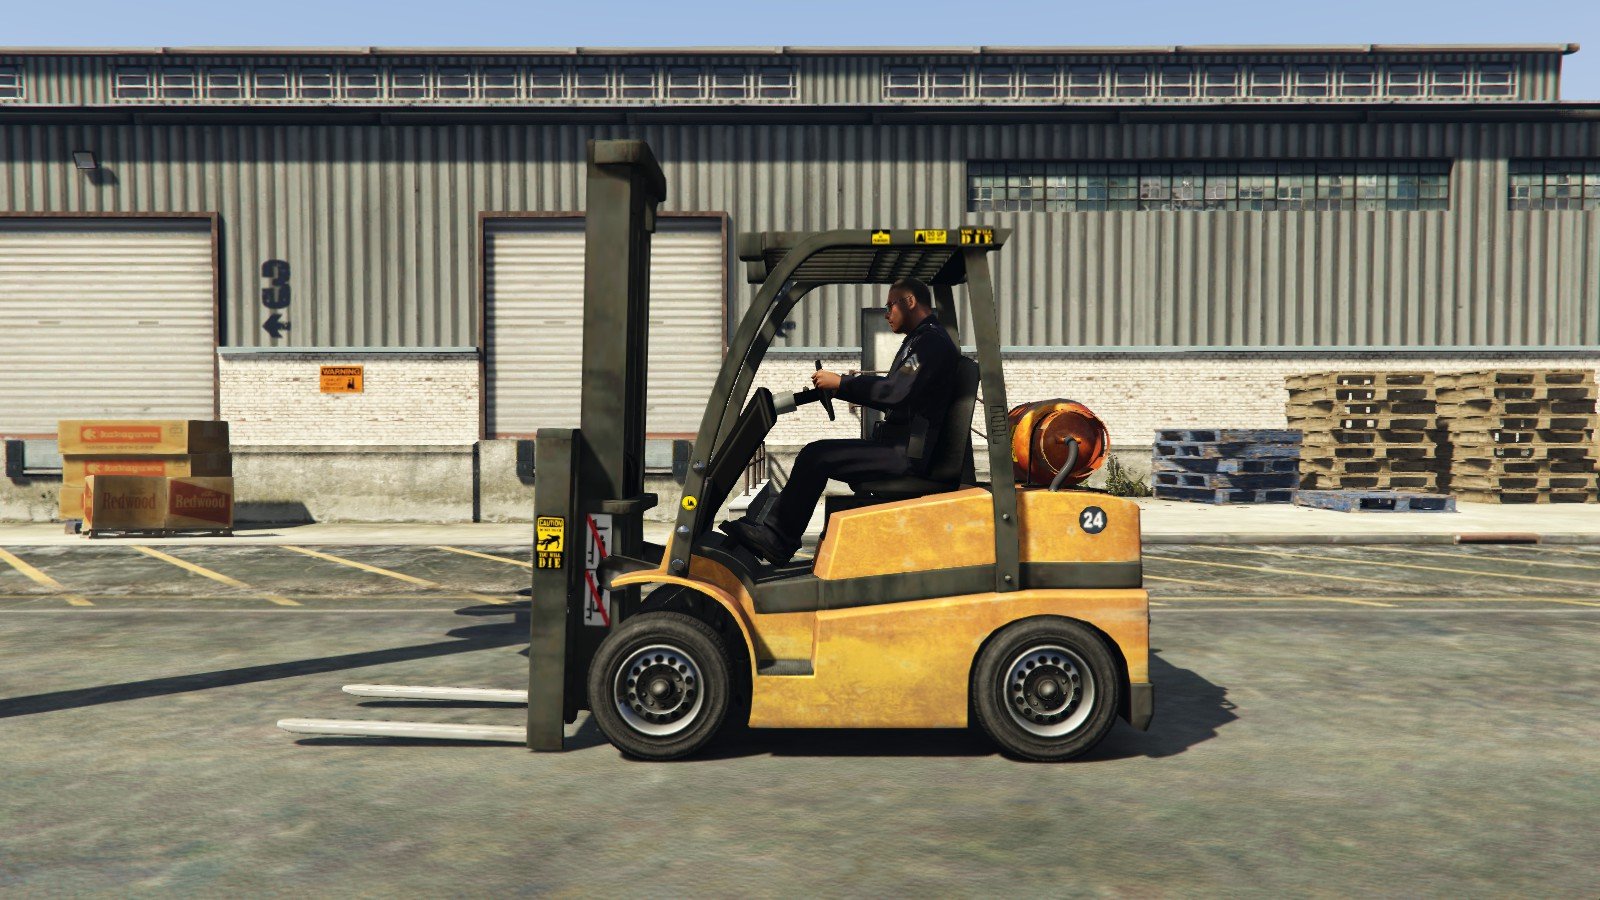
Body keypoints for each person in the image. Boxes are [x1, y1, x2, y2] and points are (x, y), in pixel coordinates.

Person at [722, 276, 960, 565]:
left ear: (910, 302)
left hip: (906, 454)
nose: (887, 313)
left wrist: (842, 383)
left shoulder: (930, 343)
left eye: (891, 306)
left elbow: (895, 392)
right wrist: (840, 388)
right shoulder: (922, 341)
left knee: (816, 455)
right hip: (900, 446)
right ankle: (776, 535)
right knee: (816, 453)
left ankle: (777, 539)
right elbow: (896, 391)